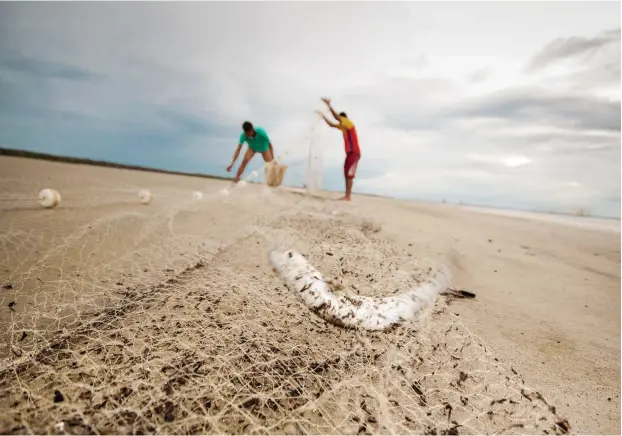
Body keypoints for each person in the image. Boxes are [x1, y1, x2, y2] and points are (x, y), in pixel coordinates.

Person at [317, 97, 361, 201]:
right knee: (346, 173)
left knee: (350, 174)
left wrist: (329, 105)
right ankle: (347, 195)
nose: (340, 123)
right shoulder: (343, 126)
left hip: (354, 152)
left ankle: (348, 196)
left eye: (341, 121)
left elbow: (336, 118)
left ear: (344, 119)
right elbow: (332, 125)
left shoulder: (348, 123)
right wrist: (323, 116)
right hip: (350, 153)